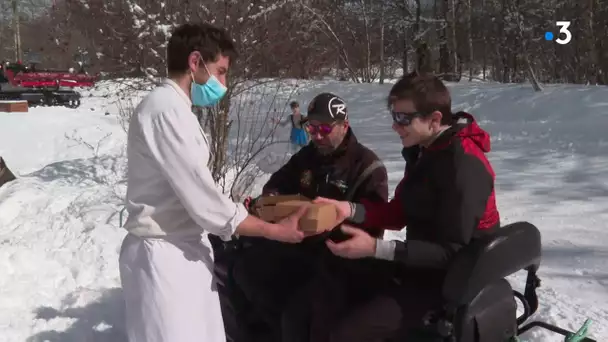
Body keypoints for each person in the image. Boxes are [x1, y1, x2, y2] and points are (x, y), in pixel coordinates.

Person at [118, 23, 310, 342]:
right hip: (164, 254)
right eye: (220, 72)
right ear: (195, 63)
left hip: (182, 248)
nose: (224, 83)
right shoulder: (166, 112)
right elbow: (204, 202)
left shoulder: (176, 109)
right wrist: (275, 230)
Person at [314, 71, 501, 341]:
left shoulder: (462, 166)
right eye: (394, 117)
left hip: (451, 283)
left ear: (435, 119)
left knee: (348, 332)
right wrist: (349, 210)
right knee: (334, 280)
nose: (395, 126)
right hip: (419, 265)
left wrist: (377, 248)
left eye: (403, 118)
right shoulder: (426, 150)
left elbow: (453, 252)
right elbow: (401, 210)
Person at [228, 92, 391, 341]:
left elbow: (374, 223)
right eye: (311, 127)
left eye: (324, 128)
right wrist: (276, 203)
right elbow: (276, 184)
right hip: (299, 245)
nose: (316, 135)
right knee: (243, 268)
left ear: (344, 125)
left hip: (340, 258)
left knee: (298, 313)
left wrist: (333, 221)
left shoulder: (367, 167)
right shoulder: (308, 156)